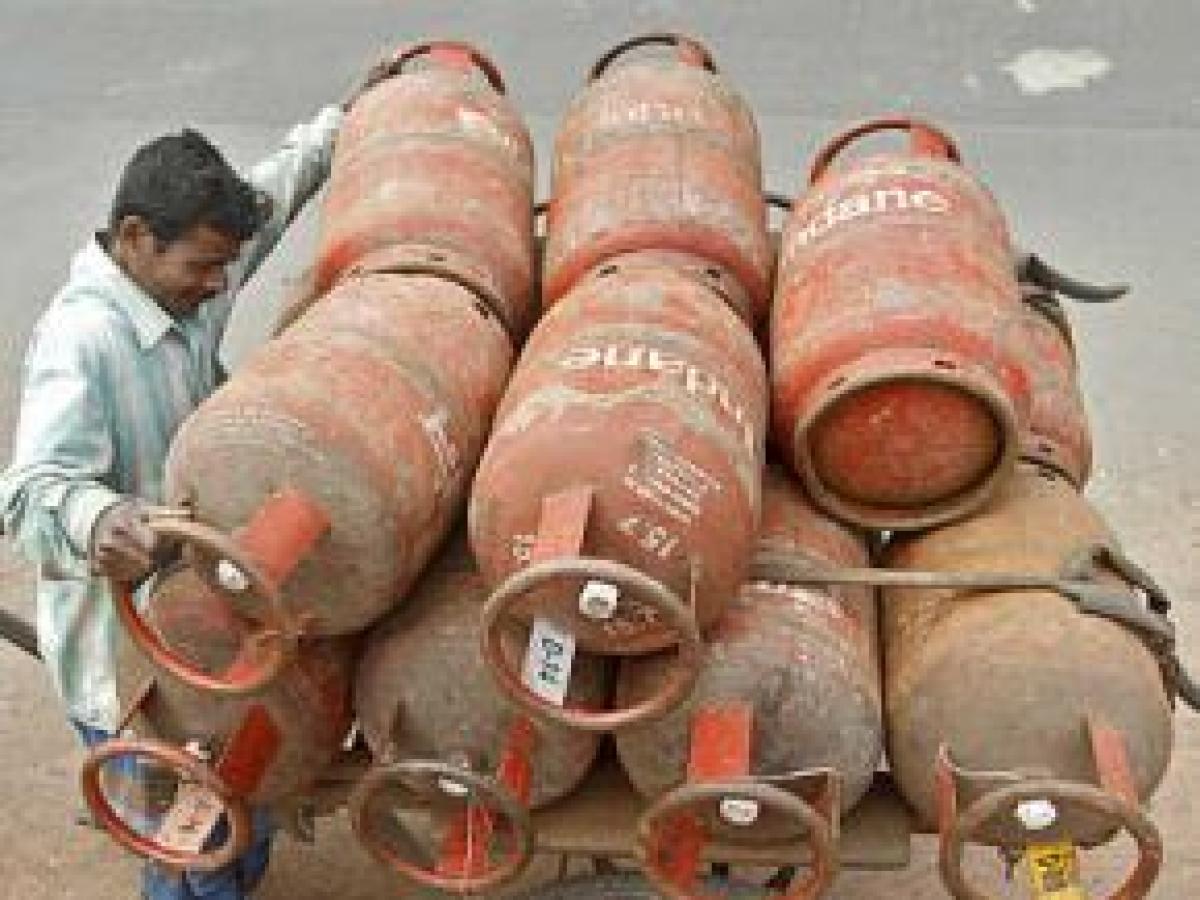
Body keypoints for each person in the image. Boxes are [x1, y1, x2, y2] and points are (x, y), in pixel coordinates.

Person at [0, 59, 392, 899]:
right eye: (203, 265)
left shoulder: (185, 289)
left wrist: (342, 121)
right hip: (132, 654)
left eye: (224, 266)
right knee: (190, 843)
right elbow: (30, 490)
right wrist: (98, 520)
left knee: (245, 806)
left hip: (212, 609)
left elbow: (272, 194)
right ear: (135, 236)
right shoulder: (83, 342)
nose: (219, 283)